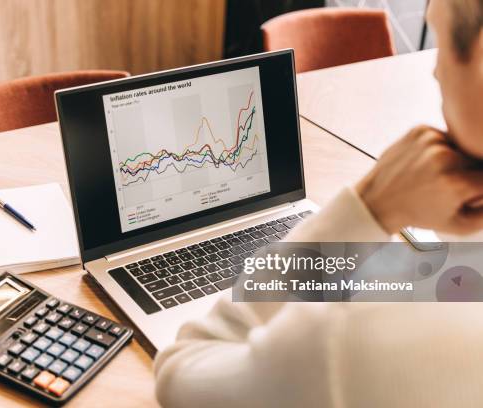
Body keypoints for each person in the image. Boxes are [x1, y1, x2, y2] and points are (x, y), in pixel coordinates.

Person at [154, 0, 483, 407]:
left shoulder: (356, 331)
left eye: (441, 39)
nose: (434, 70)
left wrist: (368, 207)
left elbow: (181, 374)